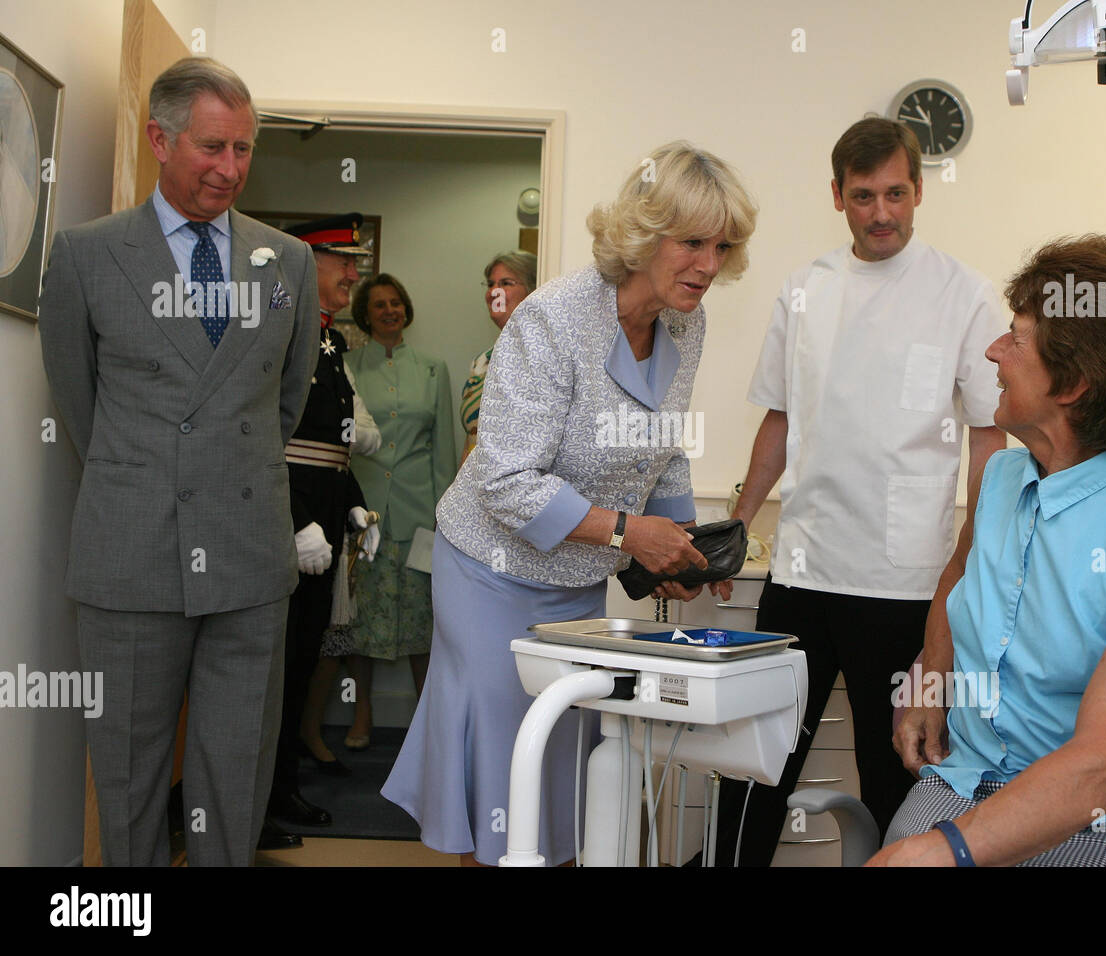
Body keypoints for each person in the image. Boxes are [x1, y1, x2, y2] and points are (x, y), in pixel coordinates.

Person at [382, 141, 758, 866]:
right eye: (692, 243)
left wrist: (677, 546)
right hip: (489, 574)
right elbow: (505, 480)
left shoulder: (686, 322)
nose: (709, 266)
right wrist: (628, 535)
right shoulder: (552, 319)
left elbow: (665, 446)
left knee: (566, 760)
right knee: (504, 758)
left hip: (576, 581)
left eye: (723, 246)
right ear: (645, 234)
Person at [873, 234, 1106, 866]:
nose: (992, 350)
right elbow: (958, 579)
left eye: (1015, 337)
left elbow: (1103, 771)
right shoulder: (1001, 482)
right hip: (973, 780)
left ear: (1073, 385)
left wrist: (946, 853)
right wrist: (930, 679)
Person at [38, 57, 320, 866]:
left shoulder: (286, 263)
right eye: (211, 147)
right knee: (125, 775)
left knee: (237, 773)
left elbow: (282, 405)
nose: (230, 169)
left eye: (243, 149)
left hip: (250, 560)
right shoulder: (88, 256)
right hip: (130, 557)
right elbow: (81, 407)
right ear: (160, 140)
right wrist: (151, 477)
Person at [714, 116, 1007, 866]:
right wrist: (737, 522)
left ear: (919, 191)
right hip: (801, 570)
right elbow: (782, 418)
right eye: (864, 195)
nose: (882, 213)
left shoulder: (964, 295)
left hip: (903, 581)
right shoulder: (804, 290)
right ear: (837, 196)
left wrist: (972, 551)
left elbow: (988, 437)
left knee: (895, 776)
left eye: (897, 194)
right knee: (756, 765)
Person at [263, 213, 380, 840]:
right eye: (344, 261)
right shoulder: (280, 329)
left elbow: (331, 442)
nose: (354, 273)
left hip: (322, 513)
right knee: (274, 668)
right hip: (289, 524)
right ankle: (258, 804)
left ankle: (281, 791)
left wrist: (352, 503)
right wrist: (294, 520)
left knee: (300, 660)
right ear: (306, 262)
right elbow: (260, 439)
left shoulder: (329, 338)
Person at [329, 272, 456, 751]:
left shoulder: (432, 368)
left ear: (406, 310)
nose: (389, 310)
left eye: (396, 303)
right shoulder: (347, 365)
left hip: (419, 513)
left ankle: (426, 721)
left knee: (423, 622)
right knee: (362, 623)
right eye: (378, 304)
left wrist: (443, 517)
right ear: (366, 313)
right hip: (365, 516)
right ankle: (362, 713)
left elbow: (443, 448)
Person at [459, 251, 538, 466]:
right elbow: (471, 440)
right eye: (490, 284)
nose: (494, 292)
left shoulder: (542, 357)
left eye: (505, 283)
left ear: (532, 291)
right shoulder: (481, 363)